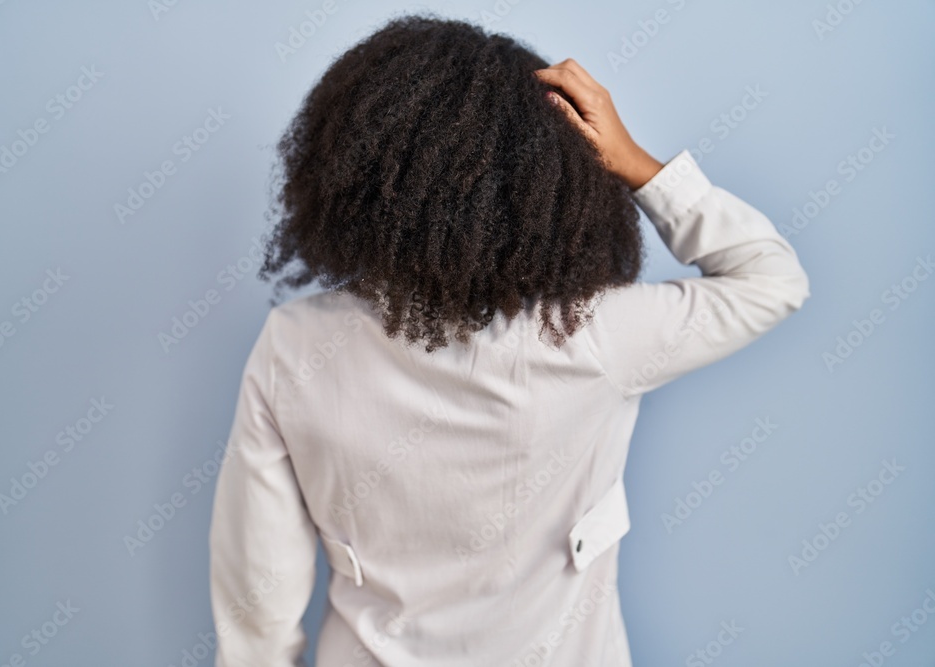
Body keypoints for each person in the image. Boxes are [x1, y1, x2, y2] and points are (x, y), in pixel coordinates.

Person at [208, 14, 810, 667]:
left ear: (356, 173)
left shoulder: (295, 345)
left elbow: (258, 594)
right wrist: (638, 165)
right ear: (554, 178)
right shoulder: (596, 334)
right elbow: (772, 279)